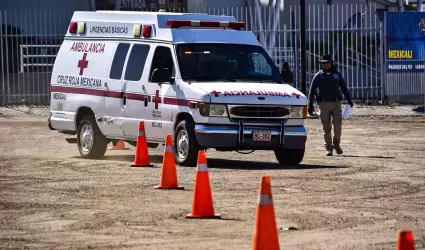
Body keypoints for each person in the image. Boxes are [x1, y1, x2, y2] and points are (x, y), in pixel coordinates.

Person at [308, 54, 353, 156]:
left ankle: (336, 143)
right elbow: (311, 91)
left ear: (331, 63)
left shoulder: (337, 74)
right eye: (323, 63)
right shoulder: (318, 76)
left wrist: (349, 99)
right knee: (326, 128)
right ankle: (329, 148)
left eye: (327, 63)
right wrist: (310, 104)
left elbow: (344, 87)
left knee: (338, 125)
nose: (325, 65)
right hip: (323, 104)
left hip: (336, 103)